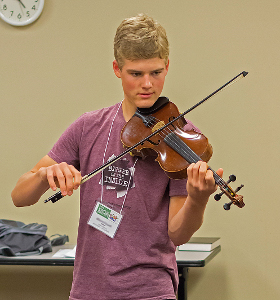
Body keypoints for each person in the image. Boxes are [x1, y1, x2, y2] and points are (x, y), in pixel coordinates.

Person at [11, 13, 223, 300]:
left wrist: (198, 200)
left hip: (151, 291)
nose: (147, 84)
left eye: (156, 72)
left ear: (167, 66)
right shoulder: (88, 127)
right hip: (87, 289)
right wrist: (44, 175)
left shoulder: (182, 139)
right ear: (117, 69)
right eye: (136, 74)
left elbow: (178, 234)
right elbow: (20, 196)